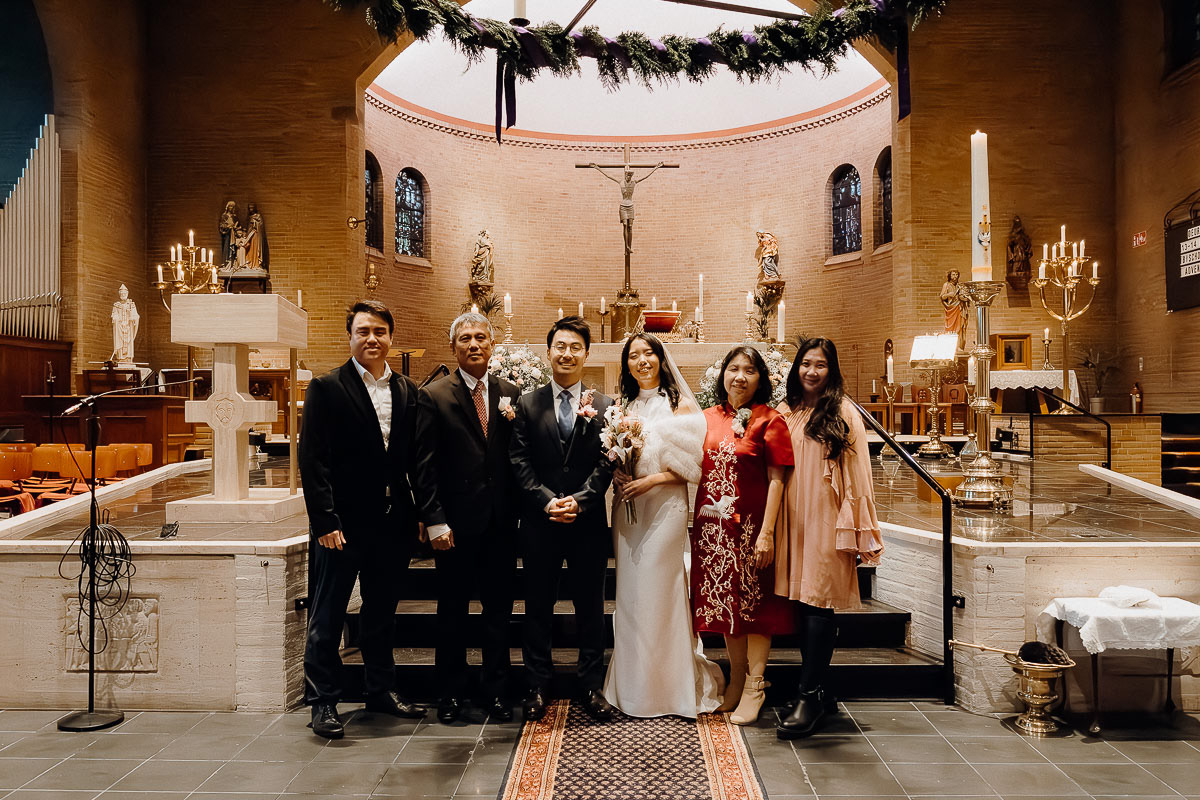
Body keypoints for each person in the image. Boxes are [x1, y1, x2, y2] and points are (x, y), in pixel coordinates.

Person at [299, 299, 424, 739]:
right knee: (328, 613)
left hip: (392, 523)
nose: (372, 339)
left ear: (391, 337)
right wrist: (325, 521)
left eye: (380, 332)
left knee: (381, 613)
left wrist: (421, 513)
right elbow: (313, 461)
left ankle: (380, 689)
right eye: (363, 331)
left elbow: (412, 461)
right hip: (343, 525)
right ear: (350, 336)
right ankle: (323, 700)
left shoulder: (407, 391)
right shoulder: (327, 388)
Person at [604, 333, 724, 718]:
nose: (642, 361)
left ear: (661, 358)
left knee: (661, 589)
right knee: (632, 594)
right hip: (628, 512)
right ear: (627, 365)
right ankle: (634, 688)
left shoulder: (680, 405)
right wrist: (619, 475)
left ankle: (669, 690)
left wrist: (650, 481)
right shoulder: (621, 408)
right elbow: (616, 455)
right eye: (633, 356)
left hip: (665, 510)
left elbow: (690, 470)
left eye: (648, 354)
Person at [413, 312, 520, 724]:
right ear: (453, 346)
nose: (474, 345)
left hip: (500, 523)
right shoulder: (435, 394)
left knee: (498, 613)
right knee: (453, 612)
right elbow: (424, 465)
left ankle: (496, 692)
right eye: (465, 339)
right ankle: (451, 694)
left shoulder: (510, 392)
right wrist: (435, 519)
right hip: (454, 525)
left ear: (492, 345)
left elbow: (513, 459)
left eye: (480, 338)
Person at [775, 337, 883, 739]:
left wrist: (854, 528)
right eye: (805, 363)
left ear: (831, 370)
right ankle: (819, 690)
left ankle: (808, 696)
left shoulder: (842, 412)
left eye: (820, 365)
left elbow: (858, 477)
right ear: (796, 367)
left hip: (826, 516)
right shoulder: (788, 410)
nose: (811, 372)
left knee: (819, 602)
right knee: (805, 604)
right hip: (793, 515)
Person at [509, 316, 615, 722]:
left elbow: (609, 459)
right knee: (537, 605)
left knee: (591, 606)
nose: (567, 354)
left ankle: (591, 685)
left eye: (575, 347)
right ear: (548, 351)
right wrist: (546, 501)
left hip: (587, 525)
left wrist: (583, 500)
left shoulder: (605, 406)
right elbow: (518, 460)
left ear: (586, 353)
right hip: (540, 524)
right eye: (560, 346)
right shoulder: (526, 403)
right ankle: (537, 684)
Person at [692, 346, 794, 725]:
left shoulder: (770, 420)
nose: (739, 376)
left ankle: (755, 685)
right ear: (722, 375)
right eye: (732, 369)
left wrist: (766, 533)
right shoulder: (706, 418)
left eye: (748, 370)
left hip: (752, 531)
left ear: (760, 378)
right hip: (713, 533)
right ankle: (735, 681)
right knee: (725, 606)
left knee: (754, 607)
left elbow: (778, 479)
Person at [110, 284, 139, 364]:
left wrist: (133, 317)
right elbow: (114, 314)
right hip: (119, 326)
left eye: (124, 294)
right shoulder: (116, 305)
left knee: (128, 342)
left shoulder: (131, 304)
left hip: (128, 326)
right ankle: (120, 357)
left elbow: (136, 316)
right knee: (120, 342)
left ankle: (128, 357)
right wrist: (116, 318)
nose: (123, 295)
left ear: (127, 294)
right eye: (121, 294)